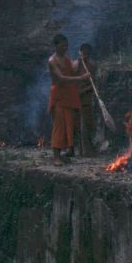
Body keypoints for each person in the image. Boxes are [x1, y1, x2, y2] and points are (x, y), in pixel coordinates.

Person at [47, 34, 88, 165]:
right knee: (59, 125)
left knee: (69, 124)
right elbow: (60, 78)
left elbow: (73, 68)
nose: (65, 48)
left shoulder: (65, 58)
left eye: (66, 45)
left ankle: (66, 152)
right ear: (56, 46)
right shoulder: (52, 61)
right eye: (62, 45)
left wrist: (81, 61)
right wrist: (81, 78)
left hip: (69, 94)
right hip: (59, 95)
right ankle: (56, 157)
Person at [73, 43, 99, 157]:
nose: (85, 55)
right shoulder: (75, 64)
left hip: (86, 98)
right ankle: (79, 150)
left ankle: (87, 151)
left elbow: (94, 83)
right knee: (77, 124)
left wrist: (86, 89)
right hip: (75, 96)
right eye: (83, 53)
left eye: (87, 53)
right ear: (80, 52)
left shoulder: (92, 66)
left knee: (86, 124)